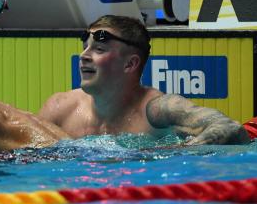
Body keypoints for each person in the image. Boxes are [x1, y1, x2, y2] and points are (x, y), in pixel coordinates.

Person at [39, 15, 250, 145]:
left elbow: (231, 128)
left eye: (99, 49)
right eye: (85, 47)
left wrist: (178, 153)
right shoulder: (60, 108)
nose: (84, 55)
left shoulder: (158, 110)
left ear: (130, 64)